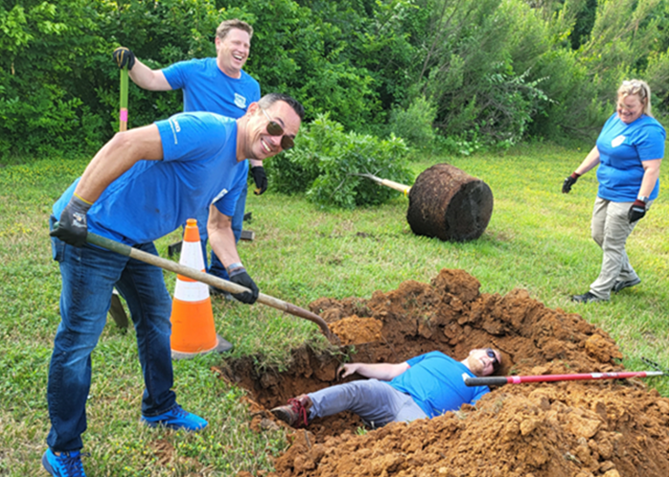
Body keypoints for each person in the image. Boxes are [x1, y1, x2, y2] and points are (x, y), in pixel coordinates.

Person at [43, 93, 304, 477]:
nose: (278, 141)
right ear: (253, 112)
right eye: (276, 128)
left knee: (156, 318)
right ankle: (62, 448)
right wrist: (78, 207)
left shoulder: (237, 169)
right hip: (93, 229)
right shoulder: (208, 131)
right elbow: (125, 143)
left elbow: (218, 226)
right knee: (79, 340)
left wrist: (236, 272)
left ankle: (160, 406)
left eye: (288, 140)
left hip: (134, 237)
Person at [112, 18, 266, 287]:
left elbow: (254, 129)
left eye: (247, 45)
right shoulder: (194, 71)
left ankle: (223, 281)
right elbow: (151, 79)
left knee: (231, 225)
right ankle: (198, 281)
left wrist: (258, 166)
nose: (243, 49)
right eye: (237, 43)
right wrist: (133, 63)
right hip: (196, 169)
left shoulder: (251, 87)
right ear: (219, 43)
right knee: (198, 228)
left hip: (234, 170)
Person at [562, 79, 664, 303]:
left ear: (643, 103)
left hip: (631, 195)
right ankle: (627, 275)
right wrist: (575, 175)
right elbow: (600, 148)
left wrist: (641, 201)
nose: (624, 111)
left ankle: (599, 293)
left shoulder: (650, 131)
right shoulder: (614, 120)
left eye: (630, 108)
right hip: (607, 189)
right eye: (621, 106)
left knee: (613, 242)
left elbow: (651, 169)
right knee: (598, 234)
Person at [270, 348, 501, 429]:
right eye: (490, 354)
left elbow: (471, 419)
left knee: (401, 443)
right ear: (474, 349)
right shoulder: (437, 356)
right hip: (390, 393)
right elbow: (393, 370)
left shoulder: (481, 389)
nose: (490, 361)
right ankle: (301, 409)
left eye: (495, 365)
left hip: (420, 417)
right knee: (357, 389)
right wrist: (358, 366)